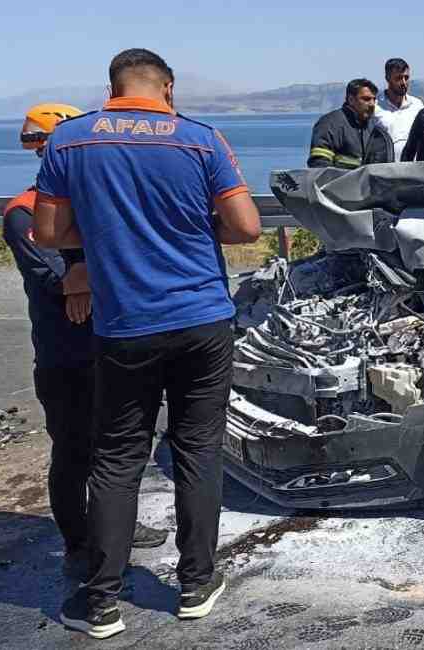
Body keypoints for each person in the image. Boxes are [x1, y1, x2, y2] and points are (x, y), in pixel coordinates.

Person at [33, 48, 261, 639]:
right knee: (198, 450)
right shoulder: (201, 139)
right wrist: (185, 225)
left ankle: (102, 601)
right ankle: (194, 584)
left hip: (124, 325)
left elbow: (48, 231)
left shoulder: (71, 141)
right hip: (202, 318)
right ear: (168, 87)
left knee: (116, 459)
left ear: (111, 87)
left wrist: (112, 232)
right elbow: (245, 227)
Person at [3, 103, 169, 583]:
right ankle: (79, 544)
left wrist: (89, 275)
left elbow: (131, 262)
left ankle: (114, 526)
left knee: (117, 449)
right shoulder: (24, 212)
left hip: (115, 343)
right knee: (74, 451)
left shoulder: (96, 206)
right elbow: (58, 278)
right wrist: (92, 274)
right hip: (66, 353)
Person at [308, 78, 394, 169]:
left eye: (374, 99)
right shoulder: (329, 124)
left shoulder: (373, 127)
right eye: (366, 99)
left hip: (368, 183)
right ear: (351, 99)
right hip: (339, 183)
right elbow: (319, 165)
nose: (372, 104)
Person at [374, 58, 424, 162]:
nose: (403, 82)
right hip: (385, 170)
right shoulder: (375, 106)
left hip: (413, 169)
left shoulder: (417, 105)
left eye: (406, 78)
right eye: (398, 78)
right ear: (388, 78)